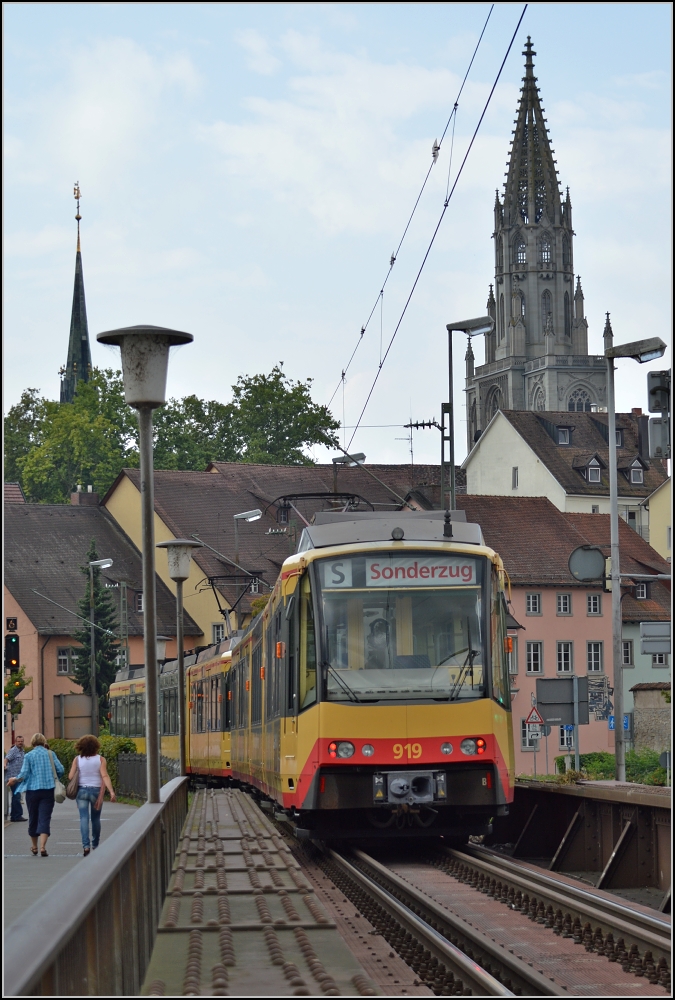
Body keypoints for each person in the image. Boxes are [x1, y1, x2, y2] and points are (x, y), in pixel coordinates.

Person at [7, 733, 64, 856]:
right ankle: (43, 847)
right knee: (45, 817)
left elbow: (24, 773)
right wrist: (54, 778)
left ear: (32, 743)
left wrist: (14, 779)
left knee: (33, 817)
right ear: (44, 742)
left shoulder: (28, 756)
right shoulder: (50, 754)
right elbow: (61, 769)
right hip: (48, 791)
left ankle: (34, 846)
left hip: (32, 792)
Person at [69, 735, 116, 856]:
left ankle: (85, 846)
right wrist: (111, 791)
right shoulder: (101, 760)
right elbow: (105, 776)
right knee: (95, 819)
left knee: (84, 818)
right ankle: (95, 844)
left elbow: (70, 776)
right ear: (96, 746)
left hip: (82, 791)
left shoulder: (77, 759)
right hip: (96, 792)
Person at [4, 735, 27, 821]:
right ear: (15, 742)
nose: (20, 743)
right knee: (16, 796)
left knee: (16, 796)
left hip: (19, 777)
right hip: (13, 777)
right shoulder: (13, 750)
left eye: (21, 741)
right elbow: (7, 758)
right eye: (18, 741)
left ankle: (14, 816)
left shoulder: (22, 751)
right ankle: (17, 816)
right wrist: (4, 764)